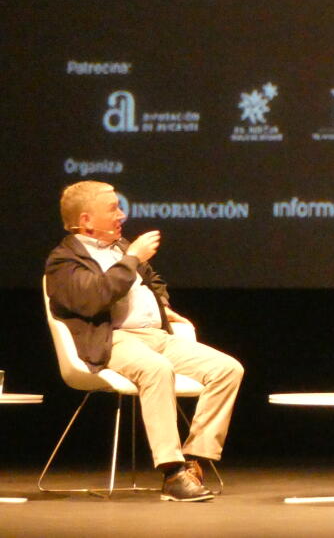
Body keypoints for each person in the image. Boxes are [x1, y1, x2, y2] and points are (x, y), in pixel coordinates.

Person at [45, 181, 244, 502]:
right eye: (112, 208)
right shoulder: (64, 261)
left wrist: (162, 304)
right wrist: (133, 257)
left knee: (227, 369)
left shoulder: (121, 247)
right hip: (113, 339)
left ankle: (195, 460)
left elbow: (154, 281)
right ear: (86, 221)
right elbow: (94, 299)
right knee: (157, 369)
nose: (121, 214)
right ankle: (171, 473)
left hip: (156, 336)